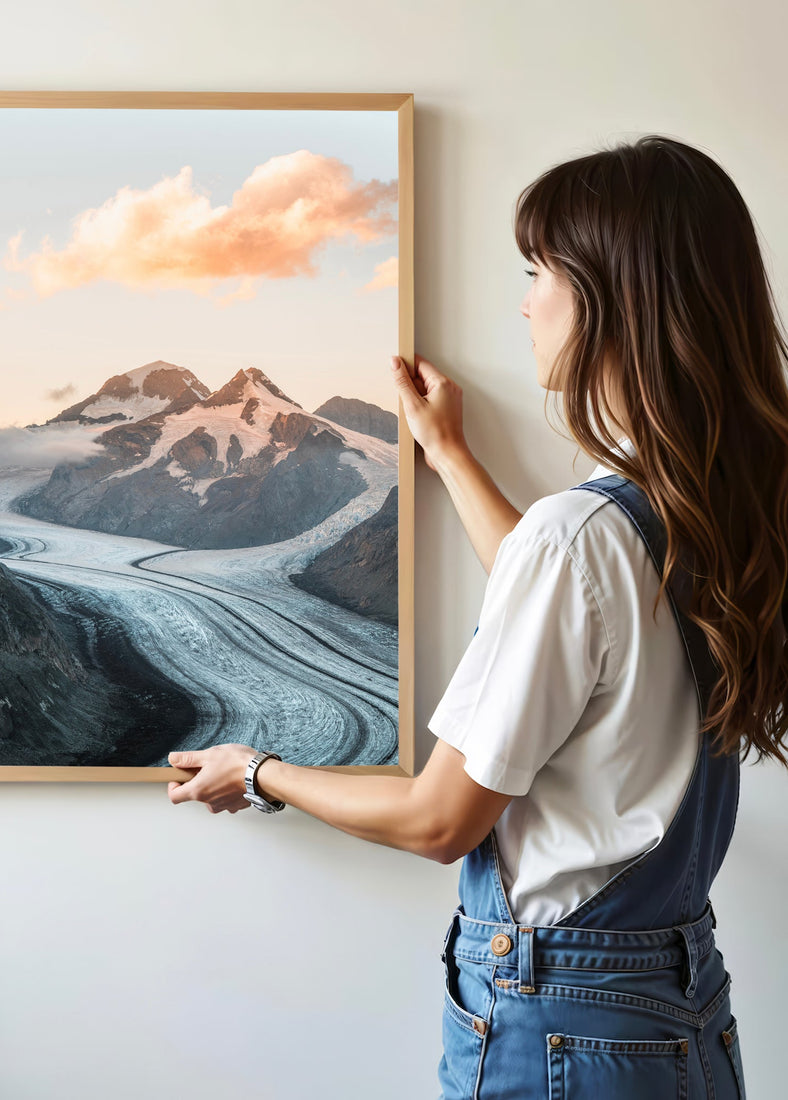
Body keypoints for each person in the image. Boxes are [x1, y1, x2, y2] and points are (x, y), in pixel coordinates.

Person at [165, 134, 788, 1098]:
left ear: (612, 299)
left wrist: (257, 771)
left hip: (561, 1025)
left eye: (540, 271)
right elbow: (576, 620)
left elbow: (437, 819)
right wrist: (451, 456)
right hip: (675, 1011)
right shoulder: (709, 508)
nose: (526, 300)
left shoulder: (582, 535)